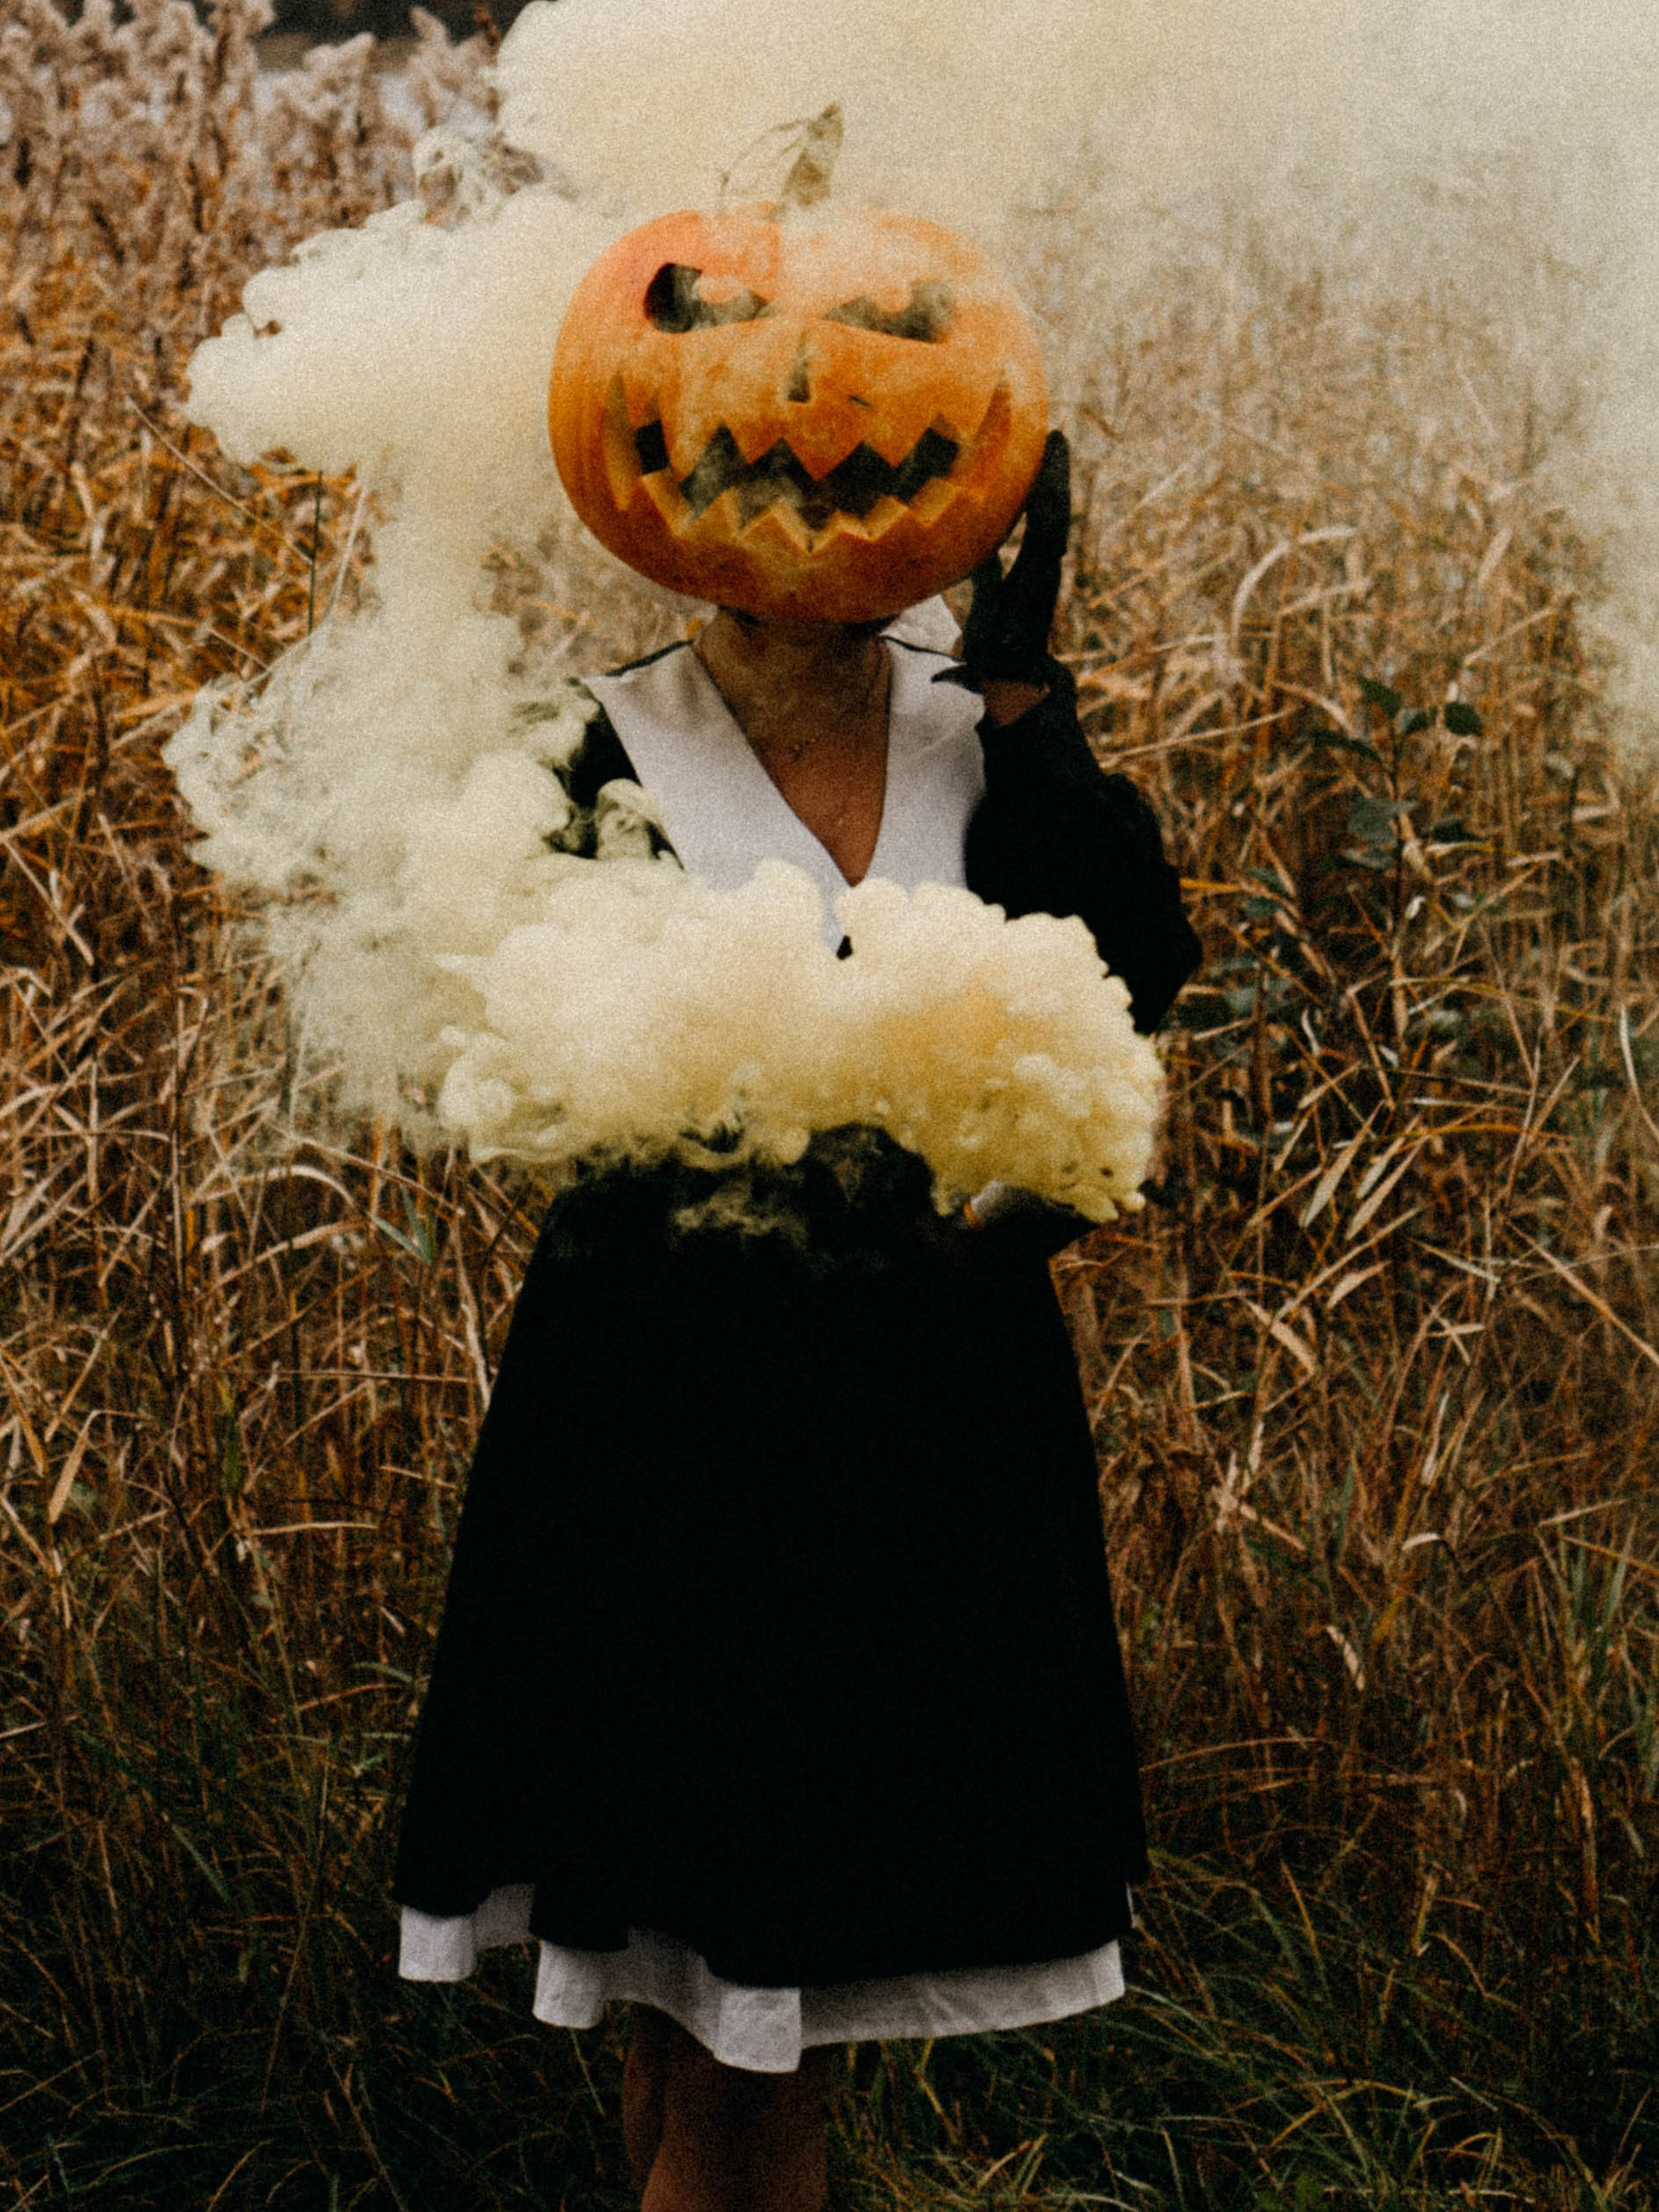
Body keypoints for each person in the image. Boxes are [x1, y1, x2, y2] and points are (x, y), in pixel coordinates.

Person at [395, 438, 1201, 2212]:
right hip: (660, 1428)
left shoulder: (965, 727)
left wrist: (1018, 692)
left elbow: (1129, 961)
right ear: (664, 493)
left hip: (921, 1427)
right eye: (746, 467)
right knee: (695, 2046)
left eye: (854, 479)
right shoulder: (605, 744)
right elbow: (529, 1073)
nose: (800, 522)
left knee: (764, 2039)